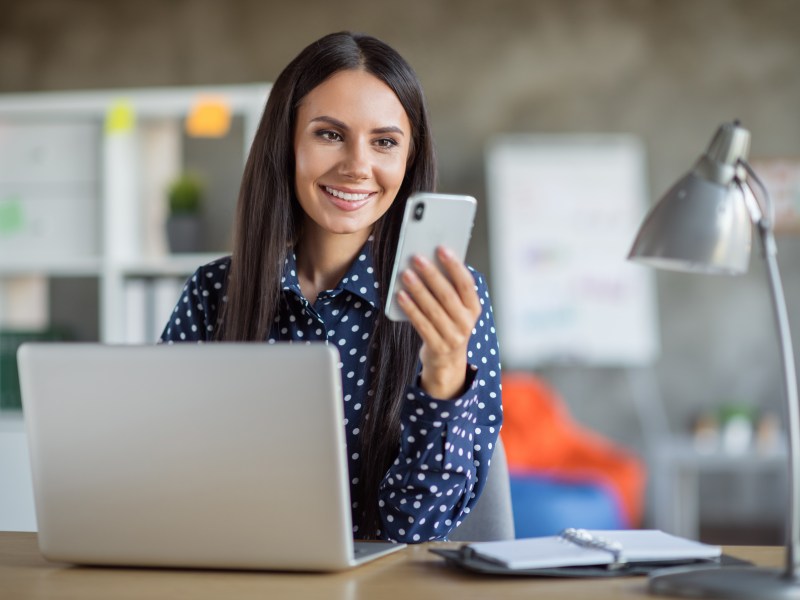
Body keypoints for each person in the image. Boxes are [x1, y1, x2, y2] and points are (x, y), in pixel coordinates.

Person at [160, 31, 502, 543]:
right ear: (287, 143)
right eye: (329, 134)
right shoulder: (214, 292)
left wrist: (446, 371)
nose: (357, 166)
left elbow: (414, 529)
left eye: (384, 142)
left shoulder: (449, 298)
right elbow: (161, 477)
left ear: (408, 159)